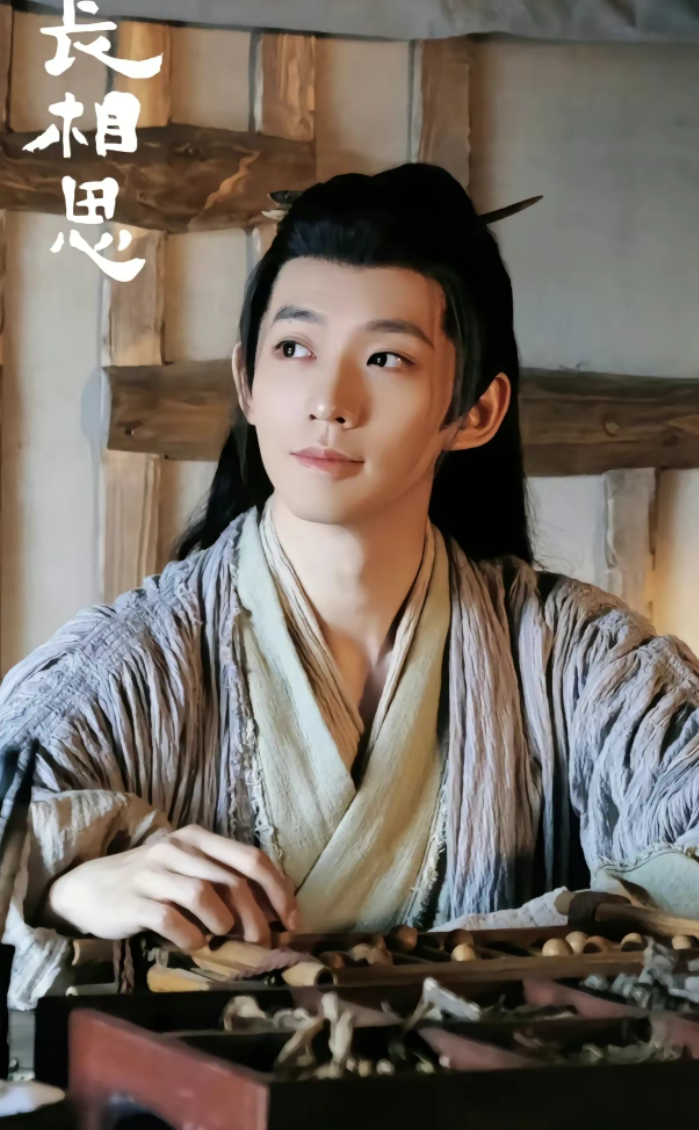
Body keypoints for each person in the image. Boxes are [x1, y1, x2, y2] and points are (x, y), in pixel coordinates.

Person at [1, 162, 698, 1011]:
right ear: (246, 380)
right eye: (294, 348)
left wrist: (454, 957)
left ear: (474, 410)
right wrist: (65, 885)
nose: (329, 400)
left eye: (385, 357)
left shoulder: (577, 659)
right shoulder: (127, 668)